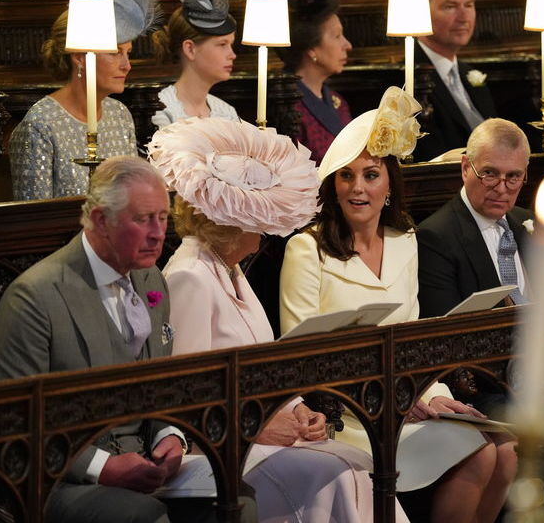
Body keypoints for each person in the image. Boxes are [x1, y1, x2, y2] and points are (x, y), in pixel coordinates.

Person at [149, 116, 406, 522]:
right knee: (333, 471)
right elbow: (184, 395)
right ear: (232, 224)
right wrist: (256, 428)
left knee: (356, 465)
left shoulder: (230, 268)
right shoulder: (189, 277)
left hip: (260, 435)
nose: (268, 230)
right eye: (260, 218)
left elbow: (260, 364)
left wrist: (299, 408)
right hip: (221, 449)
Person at [280, 87, 517, 523]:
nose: (358, 188)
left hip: (409, 400)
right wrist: (391, 399)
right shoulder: (306, 249)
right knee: (483, 457)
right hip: (348, 416)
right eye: (346, 176)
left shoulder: (405, 242)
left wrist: (432, 392)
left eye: (370, 175)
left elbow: (412, 335)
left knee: (504, 454)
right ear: (332, 185)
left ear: (389, 183)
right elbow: (301, 356)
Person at [0, 156, 189, 523]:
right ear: (100, 220)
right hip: (58, 482)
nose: (159, 233)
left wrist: (170, 435)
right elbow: (9, 426)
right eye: (142, 219)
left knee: (240, 498)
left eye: (163, 217)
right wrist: (102, 467)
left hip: (145, 466)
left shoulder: (151, 279)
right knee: (144, 516)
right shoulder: (34, 297)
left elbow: (162, 385)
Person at [416, 117, 544, 505]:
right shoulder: (437, 236)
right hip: (488, 382)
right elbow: (451, 342)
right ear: (466, 167)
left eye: (514, 177)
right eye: (490, 174)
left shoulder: (522, 223)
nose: (502, 188)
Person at [7, 0, 156, 201]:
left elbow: (131, 198)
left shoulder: (120, 114)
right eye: (115, 52)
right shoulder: (40, 125)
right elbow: (34, 218)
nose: (127, 65)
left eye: (128, 53)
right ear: (80, 58)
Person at [412, 0, 496, 161]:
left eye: (469, 5)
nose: (463, 17)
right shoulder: (409, 79)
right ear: (422, 11)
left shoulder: (470, 74)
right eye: (450, 7)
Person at [278, 0, 352, 163]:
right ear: (312, 49)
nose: (347, 45)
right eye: (336, 36)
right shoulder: (288, 108)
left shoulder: (338, 103)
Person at [151, 0, 239, 128]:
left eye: (231, 44)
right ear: (190, 49)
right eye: (222, 44)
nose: (232, 55)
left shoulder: (227, 112)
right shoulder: (161, 109)